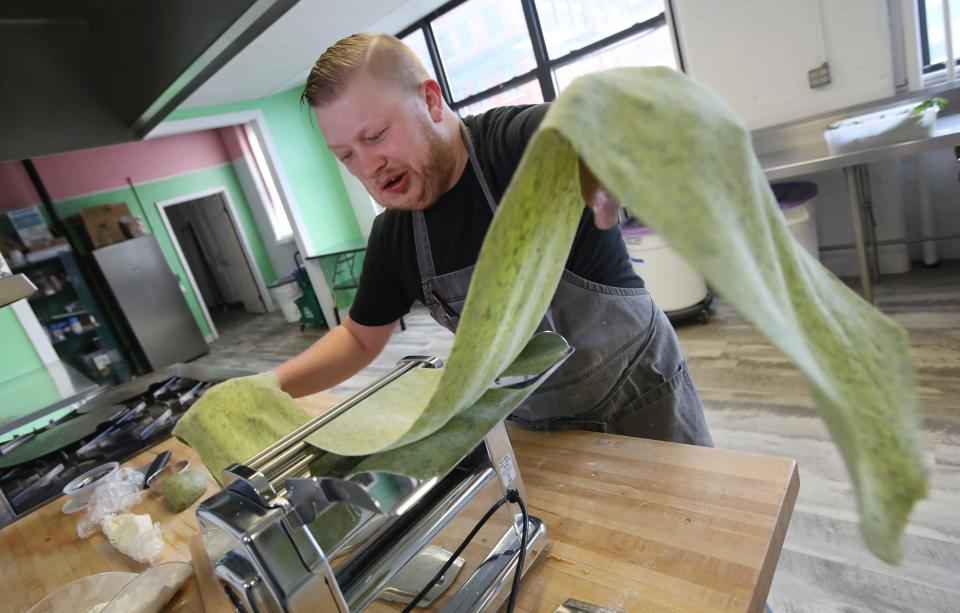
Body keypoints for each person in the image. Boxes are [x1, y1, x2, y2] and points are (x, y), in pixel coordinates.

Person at [274, 33, 712, 446]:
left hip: (640, 402)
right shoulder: (395, 237)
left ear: (429, 100)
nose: (368, 165)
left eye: (376, 136)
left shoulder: (518, 147)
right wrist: (271, 386)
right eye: (346, 155)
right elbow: (358, 339)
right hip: (534, 429)